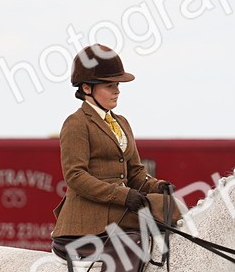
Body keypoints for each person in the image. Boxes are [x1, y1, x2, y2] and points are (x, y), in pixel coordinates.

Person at [51, 44, 175, 253]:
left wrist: (157, 186)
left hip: (117, 208)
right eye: (109, 86)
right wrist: (123, 195)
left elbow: (135, 172)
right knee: (161, 211)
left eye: (117, 84)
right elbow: (75, 176)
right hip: (90, 213)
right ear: (87, 88)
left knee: (172, 207)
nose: (117, 90)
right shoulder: (76, 123)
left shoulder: (122, 123)